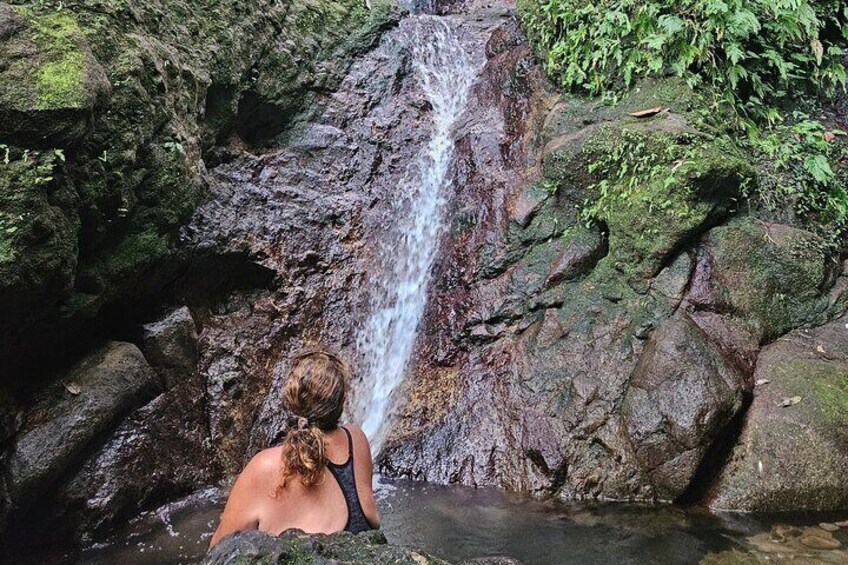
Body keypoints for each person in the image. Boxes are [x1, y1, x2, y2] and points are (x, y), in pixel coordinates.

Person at [209, 351, 380, 548]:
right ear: (341, 401)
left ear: (290, 400)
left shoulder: (264, 467)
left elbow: (218, 551)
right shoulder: (356, 441)